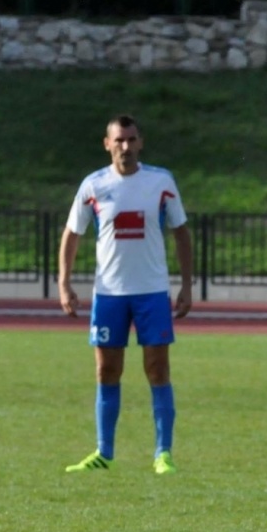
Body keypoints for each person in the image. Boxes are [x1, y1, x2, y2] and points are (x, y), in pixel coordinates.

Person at [58, 114, 194, 474]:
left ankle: (163, 453)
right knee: (106, 370)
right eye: (119, 140)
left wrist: (187, 285)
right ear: (107, 144)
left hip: (151, 292)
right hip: (109, 294)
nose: (126, 147)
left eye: (131, 140)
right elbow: (73, 233)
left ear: (141, 143)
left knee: (157, 368)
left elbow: (181, 231)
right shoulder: (93, 186)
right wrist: (64, 282)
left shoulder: (161, 182)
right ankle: (104, 452)